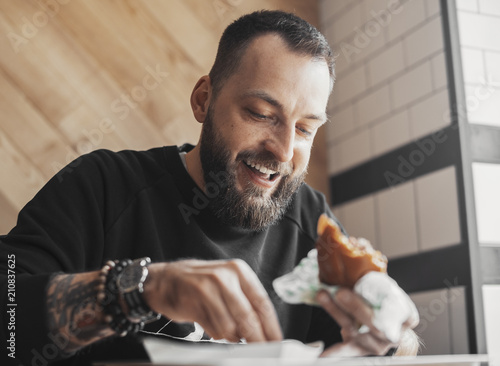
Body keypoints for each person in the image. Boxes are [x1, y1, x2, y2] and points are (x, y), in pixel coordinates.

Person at [0, 10, 418, 366]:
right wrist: (143, 289)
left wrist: (392, 334)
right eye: (261, 113)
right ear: (203, 100)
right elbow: (9, 317)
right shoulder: (104, 186)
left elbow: (376, 346)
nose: (284, 149)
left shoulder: (312, 221)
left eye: (306, 128)